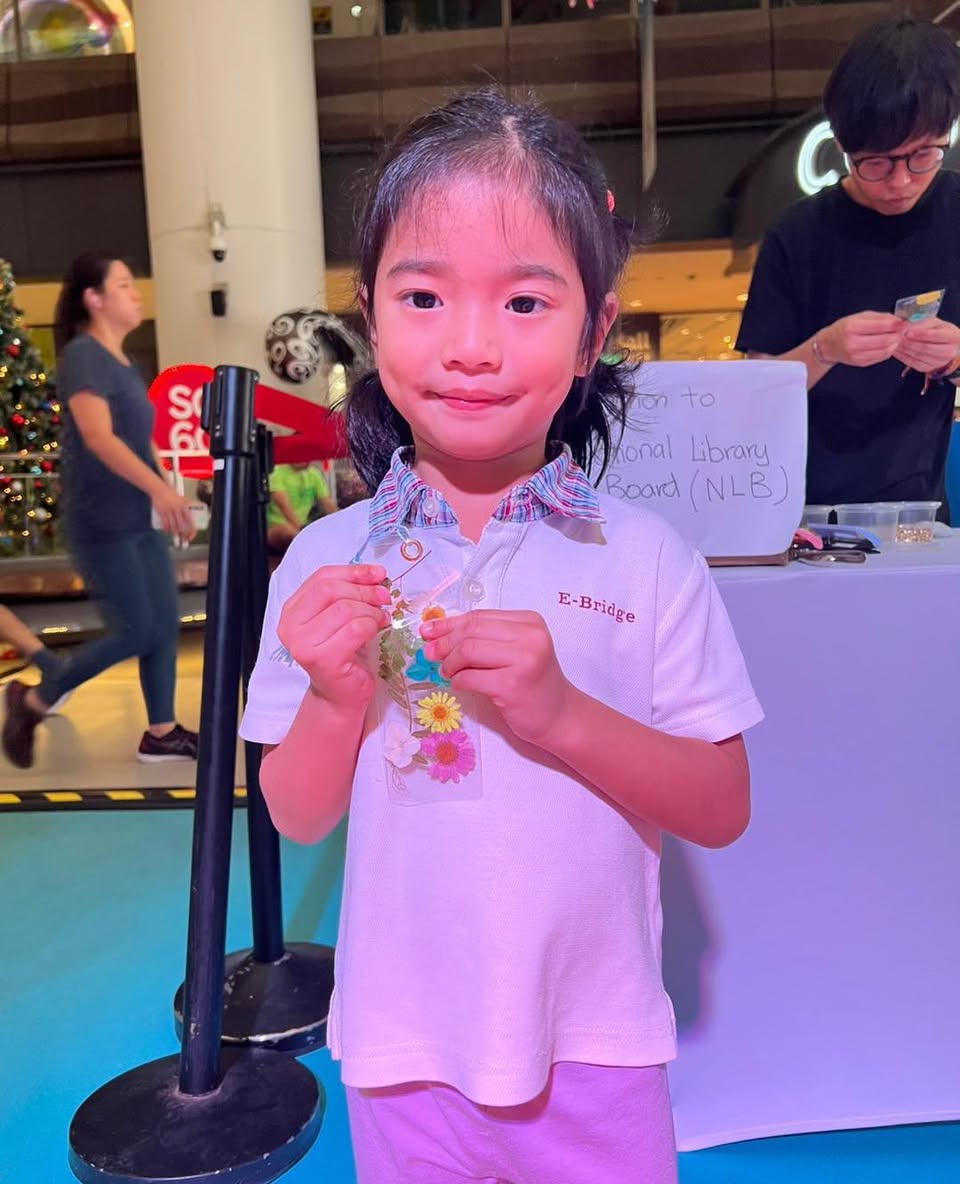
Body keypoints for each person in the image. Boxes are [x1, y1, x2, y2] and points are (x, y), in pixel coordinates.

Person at [240, 89, 763, 1184]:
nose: (471, 346)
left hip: (598, 1043)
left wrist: (565, 713)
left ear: (594, 333)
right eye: (424, 295)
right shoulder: (327, 560)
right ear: (371, 320)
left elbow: (720, 806)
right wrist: (338, 699)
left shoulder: (646, 555)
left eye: (525, 302)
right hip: (401, 1048)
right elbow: (293, 811)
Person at [735, 17, 960, 514]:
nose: (900, 181)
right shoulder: (797, 235)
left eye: (923, 155)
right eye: (876, 162)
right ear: (841, 145)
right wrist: (826, 348)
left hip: (919, 512)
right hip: (801, 513)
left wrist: (955, 357)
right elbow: (753, 396)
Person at [2, 254, 199, 769]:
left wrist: (170, 495)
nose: (136, 295)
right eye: (125, 285)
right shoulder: (84, 356)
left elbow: (140, 440)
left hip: (138, 516)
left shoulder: (124, 363)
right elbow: (97, 436)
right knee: (138, 628)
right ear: (94, 298)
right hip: (102, 519)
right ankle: (33, 701)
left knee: (164, 624)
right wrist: (159, 490)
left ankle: (161, 732)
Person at [265, 461, 337, 554]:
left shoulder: (314, 474)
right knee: (290, 533)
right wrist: (303, 531)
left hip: (301, 528)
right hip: (274, 528)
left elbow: (327, 504)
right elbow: (284, 506)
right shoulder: (276, 471)